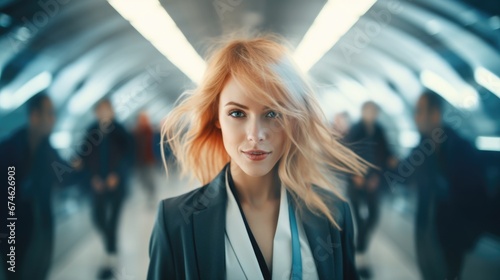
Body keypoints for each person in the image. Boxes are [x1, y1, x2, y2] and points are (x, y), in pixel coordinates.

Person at [147, 37, 368, 280]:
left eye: (272, 113)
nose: (255, 135)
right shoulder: (176, 222)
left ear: (294, 120)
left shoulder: (333, 215)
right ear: (216, 118)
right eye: (237, 113)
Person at [0, 93, 81, 280]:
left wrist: (80, 167)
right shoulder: (9, 150)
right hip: (14, 229)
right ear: (34, 116)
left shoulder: (47, 149)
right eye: (49, 114)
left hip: (41, 226)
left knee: (39, 270)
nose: (53, 119)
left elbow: (63, 177)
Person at [409, 91, 487, 279]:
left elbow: (478, 195)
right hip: (424, 231)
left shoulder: (460, 148)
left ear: (435, 114)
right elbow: (403, 173)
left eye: (420, 112)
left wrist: (468, 235)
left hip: (449, 236)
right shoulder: (422, 148)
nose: (416, 118)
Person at [79, 99, 133, 279]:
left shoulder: (120, 130)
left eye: (106, 109)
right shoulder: (91, 131)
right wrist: (92, 177)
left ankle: (110, 259)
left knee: (112, 222)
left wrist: (116, 174)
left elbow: (129, 155)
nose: (103, 113)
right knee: (98, 218)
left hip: (116, 185)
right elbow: (84, 155)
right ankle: (111, 246)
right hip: (98, 184)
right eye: (100, 110)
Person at [343, 101, 395, 277]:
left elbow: (385, 153)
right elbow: (346, 154)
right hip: (356, 183)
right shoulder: (355, 130)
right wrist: (354, 175)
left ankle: (359, 248)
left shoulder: (379, 131)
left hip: (373, 182)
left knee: (373, 217)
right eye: (369, 111)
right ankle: (360, 259)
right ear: (363, 111)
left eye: (375, 111)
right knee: (358, 219)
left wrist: (378, 175)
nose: (372, 114)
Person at [133, 112, 157, 208]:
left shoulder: (150, 131)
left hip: (149, 160)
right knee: (143, 180)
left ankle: (152, 196)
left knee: (150, 179)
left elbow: (155, 145)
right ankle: (148, 195)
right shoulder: (135, 132)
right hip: (139, 161)